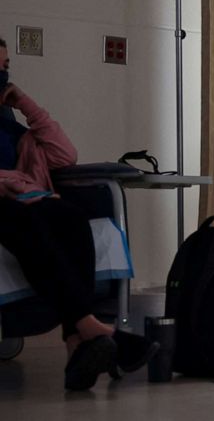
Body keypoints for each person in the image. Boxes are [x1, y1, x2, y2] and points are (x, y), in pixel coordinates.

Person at [0, 37, 157, 389]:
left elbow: (64, 156)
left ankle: (76, 343)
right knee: (26, 220)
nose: (3, 74)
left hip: (30, 200)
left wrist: (26, 105)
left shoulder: (17, 130)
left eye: (6, 67)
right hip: (8, 205)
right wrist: (14, 184)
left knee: (70, 218)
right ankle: (92, 330)